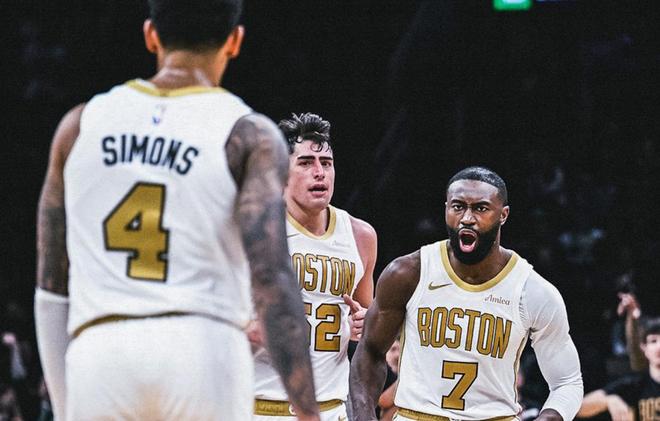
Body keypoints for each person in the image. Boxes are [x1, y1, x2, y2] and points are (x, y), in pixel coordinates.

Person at [34, 1, 320, 420]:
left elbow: (51, 286)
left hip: (101, 351)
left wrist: (65, 406)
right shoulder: (250, 133)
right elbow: (272, 276)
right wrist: (308, 410)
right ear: (234, 41)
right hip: (203, 347)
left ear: (151, 35)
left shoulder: (79, 126)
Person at [350, 166, 583, 421]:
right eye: (458, 207)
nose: (467, 218)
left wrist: (548, 417)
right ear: (446, 208)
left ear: (503, 215)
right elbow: (370, 352)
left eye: (481, 208)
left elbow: (567, 382)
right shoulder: (408, 273)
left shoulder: (532, 291)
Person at [252, 113, 377, 420]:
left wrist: (363, 324)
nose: (319, 173)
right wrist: (250, 326)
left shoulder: (361, 235)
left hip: (330, 408)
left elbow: (368, 319)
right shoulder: (256, 230)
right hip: (262, 406)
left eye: (326, 163)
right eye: (306, 163)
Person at [577, 317, 660, 421]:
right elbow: (579, 409)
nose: (659, 346)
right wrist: (607, 400)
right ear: (644, 347)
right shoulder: (635, 384)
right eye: (653, 341)